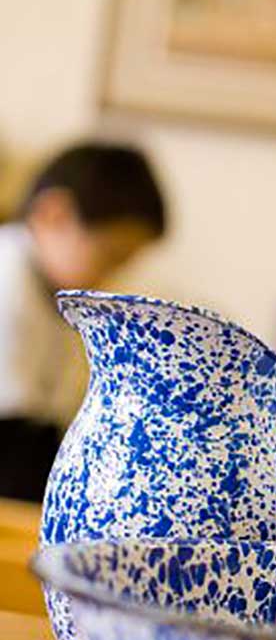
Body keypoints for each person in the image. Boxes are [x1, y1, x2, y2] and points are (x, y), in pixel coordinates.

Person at [0, 141, 166, 502]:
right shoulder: (8, 277)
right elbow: (17, 435)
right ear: (54, 214)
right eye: (111, 256)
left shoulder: (52, 289)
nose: (111, 276)